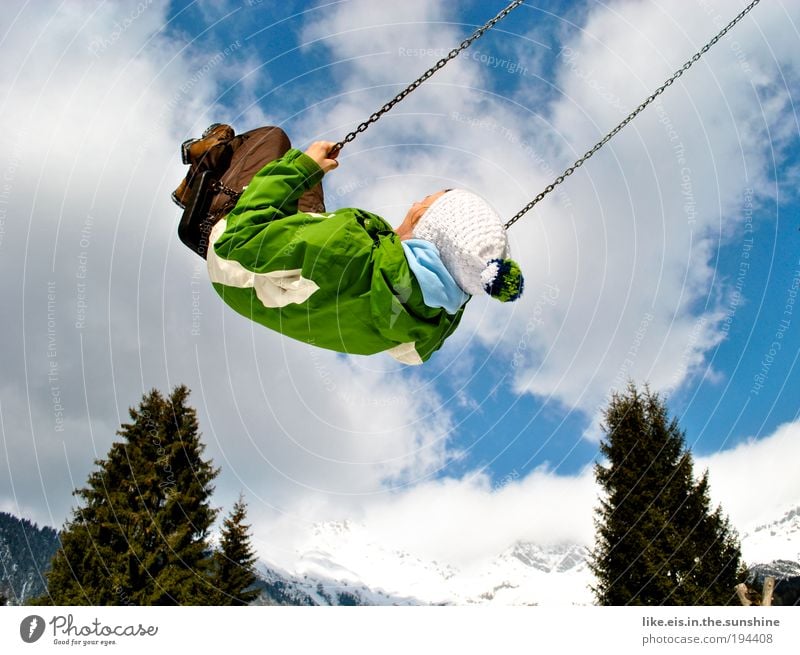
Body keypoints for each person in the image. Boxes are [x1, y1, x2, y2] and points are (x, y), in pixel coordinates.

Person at [173, 124, 524, 364]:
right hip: (285, 277)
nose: (418, 201)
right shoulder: (425, 321)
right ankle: (199, 173)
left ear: (423, 217)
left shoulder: (349, 246)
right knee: (305, 178)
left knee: (272, 139)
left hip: (235, 257)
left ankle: (202, 169)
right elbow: (390, 280)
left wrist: (302, 168)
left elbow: (242, 239)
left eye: (429, 198)